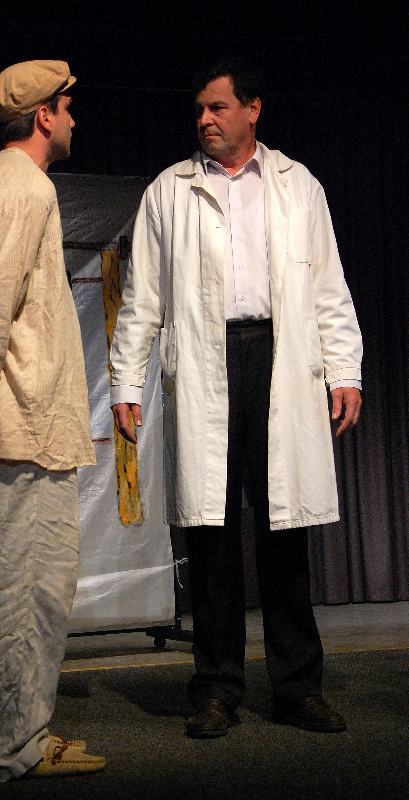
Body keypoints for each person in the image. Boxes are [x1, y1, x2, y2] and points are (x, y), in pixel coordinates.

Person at [110, 59, 362, 739]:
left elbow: (328, 286)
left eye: (218, 107)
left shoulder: (297, 185)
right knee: (211, 534)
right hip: (205, 360)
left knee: (285, 531)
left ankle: (297, 687)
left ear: (253, 109)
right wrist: (127, 383)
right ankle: (216, 688)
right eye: (200, 109)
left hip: (282, 359)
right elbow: (142, 299)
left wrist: (345, 371)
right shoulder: (169, 190)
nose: (205, 120)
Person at [0, 60, 105, 779]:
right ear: (43, 115)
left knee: (2, 591)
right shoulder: (21, 186)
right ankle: (18, 748)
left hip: (11, 425)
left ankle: (4, 740)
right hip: (21, 427)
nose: (72, 119)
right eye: (66, 107)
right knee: (26, 594)